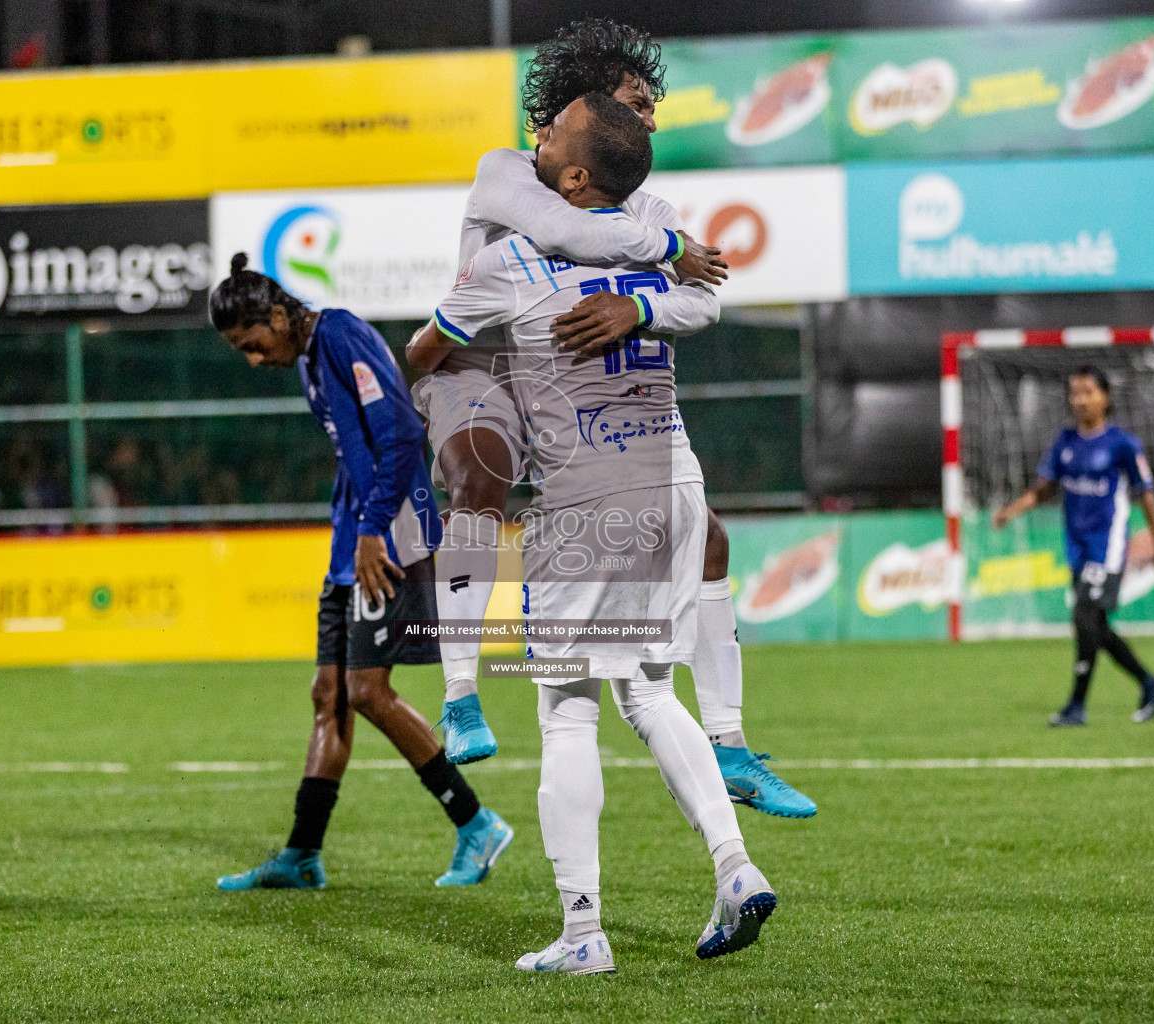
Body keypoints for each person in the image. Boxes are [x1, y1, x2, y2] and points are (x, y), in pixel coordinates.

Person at [414, 15, 815, 820]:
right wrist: (664, 249)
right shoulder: (507, 170)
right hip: (486, 365)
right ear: (585, 106)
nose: (651, 121)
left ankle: (732, 747)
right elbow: (567, 228)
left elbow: (702, 300)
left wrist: (643, 311)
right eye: (636, 102)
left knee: (708, 539)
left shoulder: (641, 199)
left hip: (575, 383)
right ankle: (461, 697)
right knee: (478, 491)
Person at [415, 92, 776, 973]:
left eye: (555, 135)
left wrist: (434, 383)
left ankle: (583, 935)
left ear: (574, 178)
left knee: (566, 712)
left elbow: (424, 352)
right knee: (650, 691)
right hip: (675, 489)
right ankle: (735, 869)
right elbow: (701, 294)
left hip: (588, 504)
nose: (537, 139)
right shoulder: (657, 262)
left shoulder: (511, 259)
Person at [207, 254, 513, 890]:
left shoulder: (341, 335)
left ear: (277, 314)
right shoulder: (312, 359)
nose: (254, 358)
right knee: (329, 693)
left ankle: (477, 824)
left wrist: (372, 531)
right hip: (355, 541)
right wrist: (349, 533)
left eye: (253, 342)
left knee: (367, 691)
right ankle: (301, 855)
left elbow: (401, 433)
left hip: (391, 535)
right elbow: (357, 453)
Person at [992, 366, 1154, 727]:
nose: (1080, 399)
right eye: (1074, 392)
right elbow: (1044, 489)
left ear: (1105, 397)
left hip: (1106, 547)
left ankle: (1076, 706)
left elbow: (1147, 497)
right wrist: (1013, 510)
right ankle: (1150, 683)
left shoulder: (1123, 445)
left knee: (1083, 618)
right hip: (1076, 548)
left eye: (1088, 391)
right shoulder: (1065, 443)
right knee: (1096, 626)